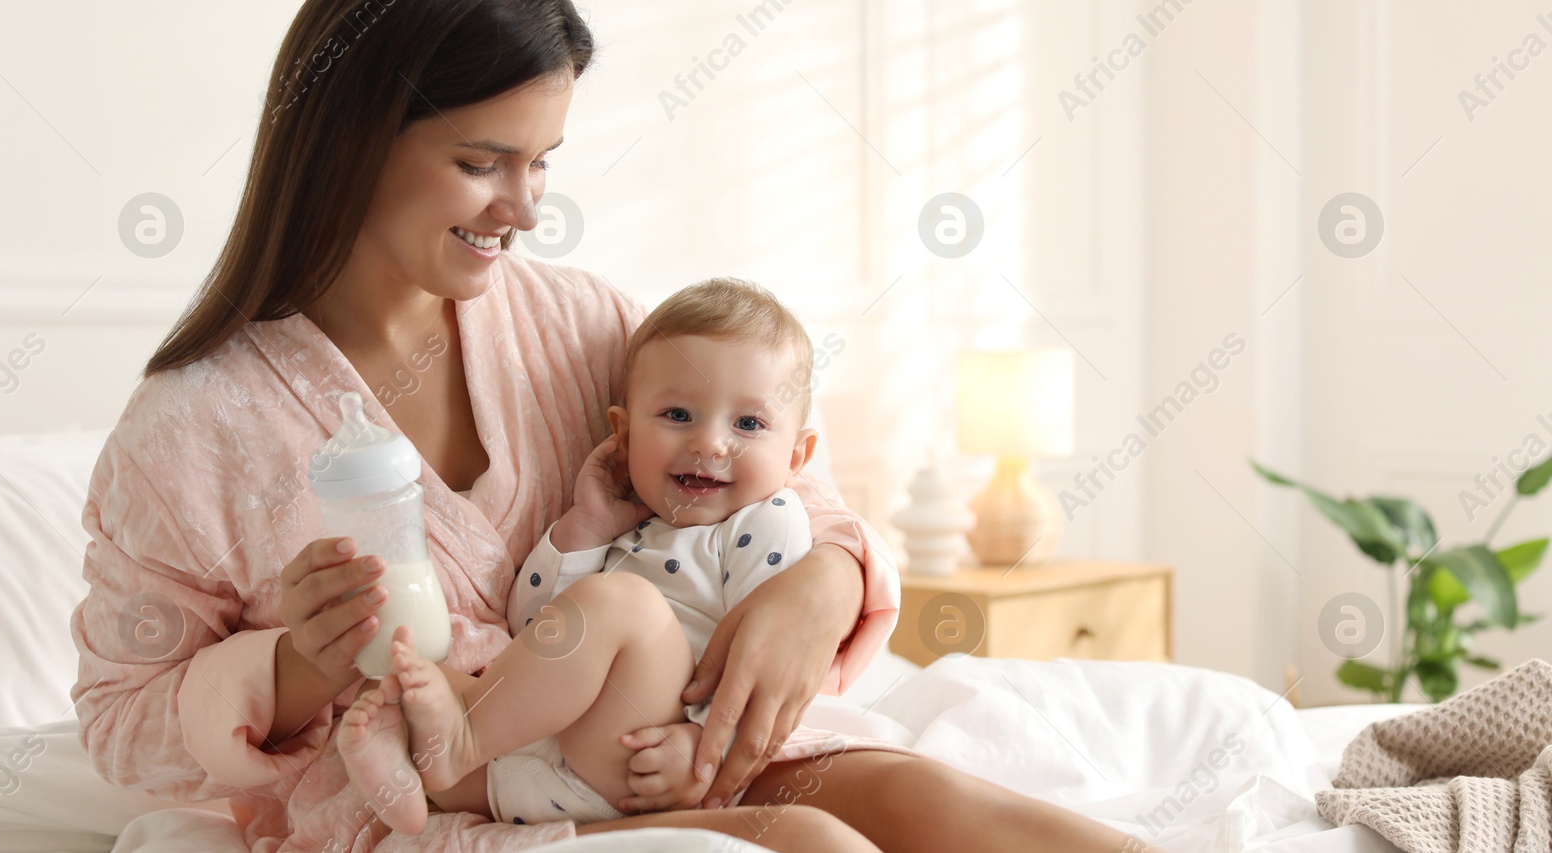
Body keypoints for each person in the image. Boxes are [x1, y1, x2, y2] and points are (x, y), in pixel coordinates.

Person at [69, 1, 1153, 850]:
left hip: (659, 751)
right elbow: (121, 721)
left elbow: (775, 484)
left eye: (541, 164)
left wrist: (817, 582)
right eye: (484, 161)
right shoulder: (194, 427)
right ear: (353, 136)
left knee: (925, 797)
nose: (525, 208)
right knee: (812, 841)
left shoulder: (585, 325)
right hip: (455, 806)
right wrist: (296, 668)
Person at [338, 278, 910, 834]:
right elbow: (537, 630)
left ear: (796, 455)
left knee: (624, 604)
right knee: (410, 679)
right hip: (556, 762)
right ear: (625, 434)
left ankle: (458, 745)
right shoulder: (628, 524)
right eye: (679, 415)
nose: (711, 443)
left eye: (749, 423)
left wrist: (702, 746)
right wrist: (584, 529)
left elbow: (763, 668)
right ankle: (420, 786)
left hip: (654, 753)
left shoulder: (768, 521)